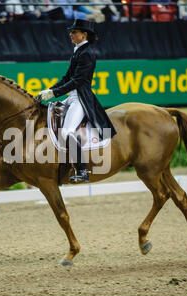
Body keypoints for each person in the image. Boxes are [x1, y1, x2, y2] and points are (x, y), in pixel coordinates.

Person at [37, 19, 117, 183]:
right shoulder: (78, 51)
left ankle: (82, 170)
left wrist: (54, 93)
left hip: (81, 99)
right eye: (71, 32)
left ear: (84, 34)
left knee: (67, 132)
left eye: (74, 32)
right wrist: (49, 90)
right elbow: (67, 78)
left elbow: (78, 81)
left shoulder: (87, 53)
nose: (70, 34)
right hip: (71, 97)